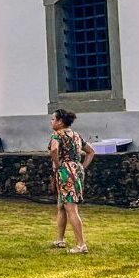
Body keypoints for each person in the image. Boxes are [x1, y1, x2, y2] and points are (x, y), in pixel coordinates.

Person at [49, 108, 95, 254]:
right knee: (62, 205)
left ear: (60, 121)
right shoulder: (76, 135)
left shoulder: (57, 135)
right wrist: (81, 167)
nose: (51, 121)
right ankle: (60, 239)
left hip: (65, 171)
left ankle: (81, 244)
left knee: (71, 208)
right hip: (75, 170)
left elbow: (54, 150)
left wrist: (58, 166)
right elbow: (90, 151)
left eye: (53, 119)